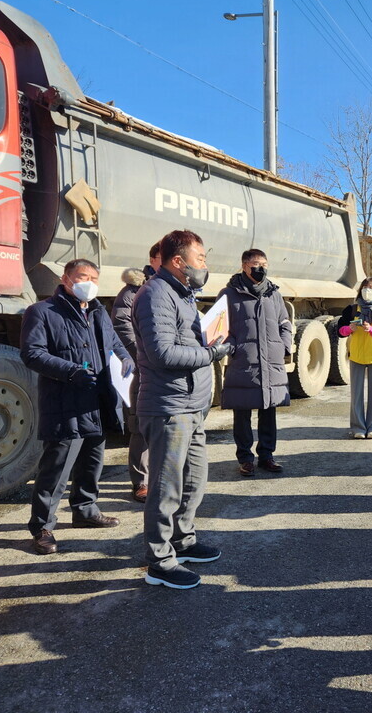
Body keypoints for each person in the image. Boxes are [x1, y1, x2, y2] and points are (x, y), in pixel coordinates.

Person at [132, 229, 230, 589]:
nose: (204, 265)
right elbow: (162, 353)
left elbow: (186, 342)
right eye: (200, 258)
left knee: (194, 480)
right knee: (166, 487)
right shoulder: (155, 294)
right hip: (169, 407)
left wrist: (213, 342)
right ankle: (159, 560)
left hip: (192, 404)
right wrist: (210, 354)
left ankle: (183, 541)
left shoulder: (184, 294)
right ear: (178, 262)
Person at [21, 259, 133, 555]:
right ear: (66, 278)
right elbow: (32, 354)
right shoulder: (42, 312)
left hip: (97, 402)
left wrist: (126, 359)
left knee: (92, 463)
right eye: (83, 276)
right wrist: (71, 371)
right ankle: (42, 527)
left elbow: (113, 344)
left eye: (94, 278)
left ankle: (85, 510)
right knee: (56, 469)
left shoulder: (98, 311)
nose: (89, 283)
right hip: (65, 404)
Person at [217, 249, 291, 476]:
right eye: (256, 264)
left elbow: (284, 322)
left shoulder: (273, 294)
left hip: (271, 362)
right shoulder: (228, 294)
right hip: (243, 363)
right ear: (244, 266)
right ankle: (245, 458)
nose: (261, 268)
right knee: (242, 413)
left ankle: (267, 455)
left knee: (269, 411)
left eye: (264, 264)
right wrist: (234, 347)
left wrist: (284, 346)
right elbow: (220, 328)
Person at [111, 240, 161, 502]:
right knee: (140, 427)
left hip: (166, 370)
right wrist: (143, 352)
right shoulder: (134, 290)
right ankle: (140, 482)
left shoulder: (175, 288)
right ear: (153, 260)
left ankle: (160, 477)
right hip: (146, 369)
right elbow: (121, 323)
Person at [337, 277, 372, 439]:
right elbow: (340, 330)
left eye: (371, 288)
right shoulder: (352, 309)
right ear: (360, 289)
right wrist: (349, 328)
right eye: (365, 287)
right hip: (356, 355)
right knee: (356, 393)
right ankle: (358, 427)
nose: (367, 291)